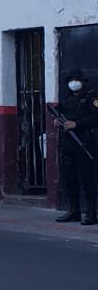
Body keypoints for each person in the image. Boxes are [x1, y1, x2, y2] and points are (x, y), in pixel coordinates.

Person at [56, 70, 98, 225]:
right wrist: (59, 122)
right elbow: (59, 113)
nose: (74, 82)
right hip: (68, 143)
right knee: (70, 178)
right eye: (71, 80)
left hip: (85, 142)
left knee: (87, 178)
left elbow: (96, 117)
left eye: (76, 79)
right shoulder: (67, 98)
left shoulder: (91, 97)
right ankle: (74, 211)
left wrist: (77, 124)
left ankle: (92, 213)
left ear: (83, 81)